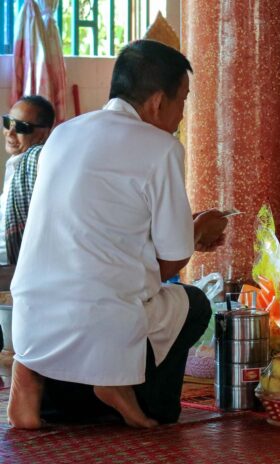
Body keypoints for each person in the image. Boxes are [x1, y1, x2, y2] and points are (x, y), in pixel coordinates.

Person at [7, 40, 228, 429]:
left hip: (31, 316)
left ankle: (29, 384)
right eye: (183, 101)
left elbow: (96, 228)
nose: (181, 115)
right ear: (158, 101)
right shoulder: (161, 147)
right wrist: (197, 231)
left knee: (84, 287)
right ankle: (124, 388)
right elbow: (171, 261)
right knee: (193, 304)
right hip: (100, 320)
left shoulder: (63, 135)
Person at [0, 96, 54, 290]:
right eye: (8, 122)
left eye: (21, 127)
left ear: (43, 134)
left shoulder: (37, 160)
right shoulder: (17, 164)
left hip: (17, 273)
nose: (10, 132)